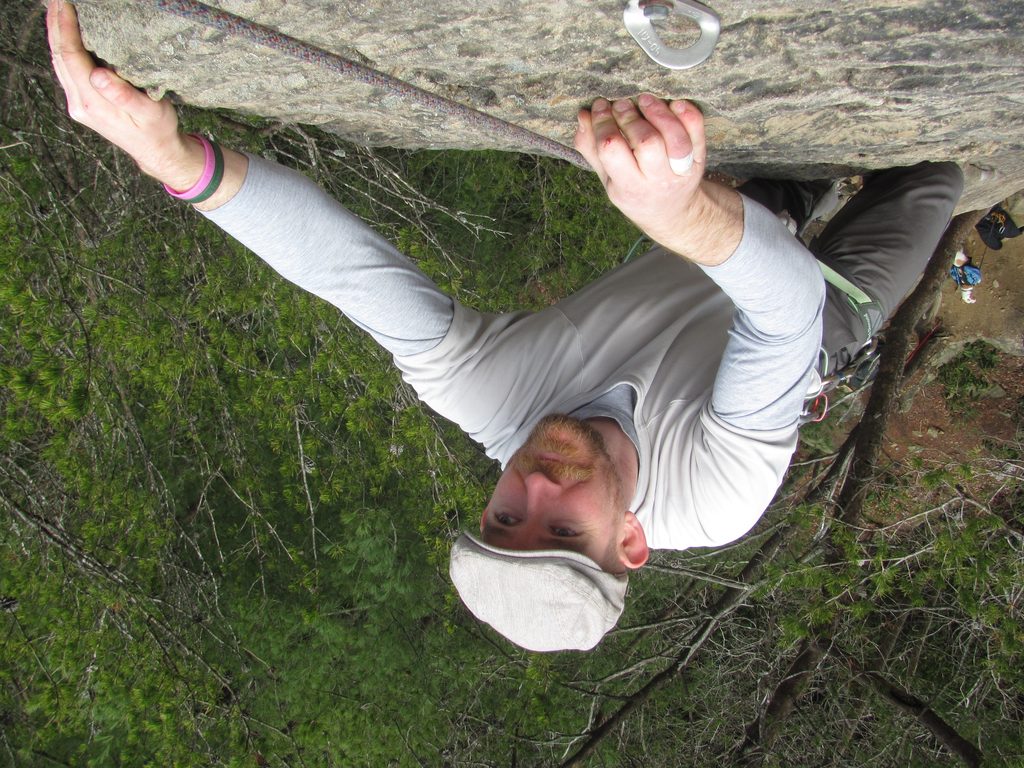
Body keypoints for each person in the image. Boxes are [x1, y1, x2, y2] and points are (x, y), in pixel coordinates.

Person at [46, 0, 964, 652]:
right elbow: (783, 319)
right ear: (630, 546)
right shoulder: (712, 496)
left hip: (707, 242)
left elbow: (343, 272)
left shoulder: (492, 398)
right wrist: (678, 215)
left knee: (770, 188)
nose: (533, 486)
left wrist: (171, 158)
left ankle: (784, 192)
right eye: (561, 533)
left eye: (502, 515)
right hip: (819, 316)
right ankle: (788, 199)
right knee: (936, 178)